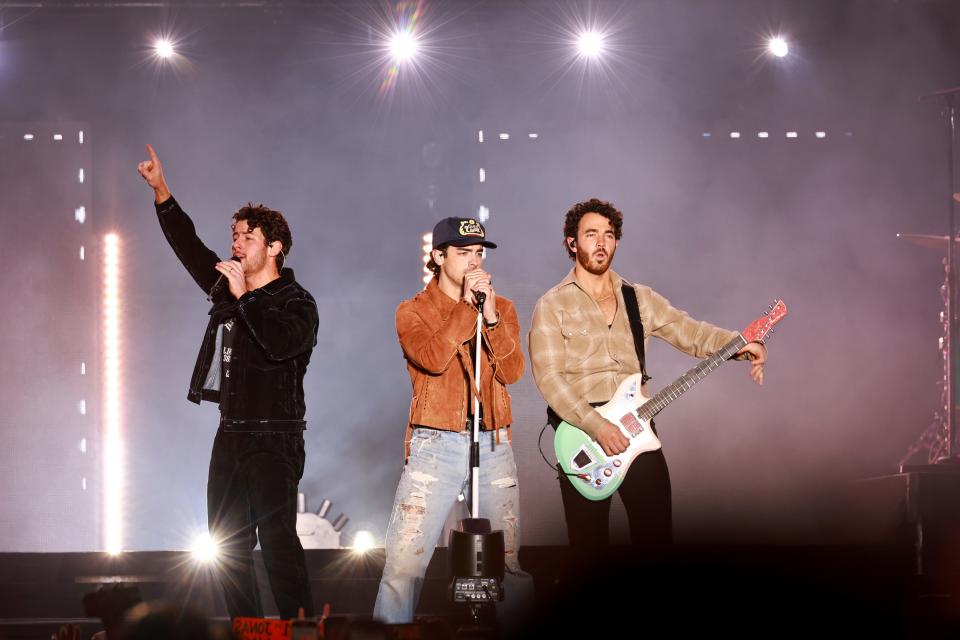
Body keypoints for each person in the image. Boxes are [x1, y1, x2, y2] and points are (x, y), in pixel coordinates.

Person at [137, 144, 318, 619]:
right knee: (227, 544)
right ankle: (248, 628)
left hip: (275, 435)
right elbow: (192, 248)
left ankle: (300, 627)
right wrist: (162, 192)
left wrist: (246, 297)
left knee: (277, 539)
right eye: (234, 236)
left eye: (248, 237)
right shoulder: (226, 289)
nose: (237, 244)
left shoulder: (296, 301)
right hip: (231, 432)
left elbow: (280, 345)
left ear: (274, 246)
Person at [528, 198, 766, 552]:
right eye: (591, 234)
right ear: (572, 243)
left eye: (608, 235)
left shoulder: (638, 298)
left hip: (638, 428)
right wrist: (597, 425)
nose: (601, 243)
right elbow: (549, 378)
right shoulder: (552, 305)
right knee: (589, 553)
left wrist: (742, 343)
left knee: (656, 543)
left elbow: (691, 332)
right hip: (583, 434)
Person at [373, 217, 529, 626]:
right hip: (435, 445)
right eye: (463, 253)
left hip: (494, 442)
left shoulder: (502, 308)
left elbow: (513, 372)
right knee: (404, 564)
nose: (474, 263)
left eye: (479, 253)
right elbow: (432, 358)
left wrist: (491, 318)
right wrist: (466, 309)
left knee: (508, 564)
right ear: (439, 257)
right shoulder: (413, 311)